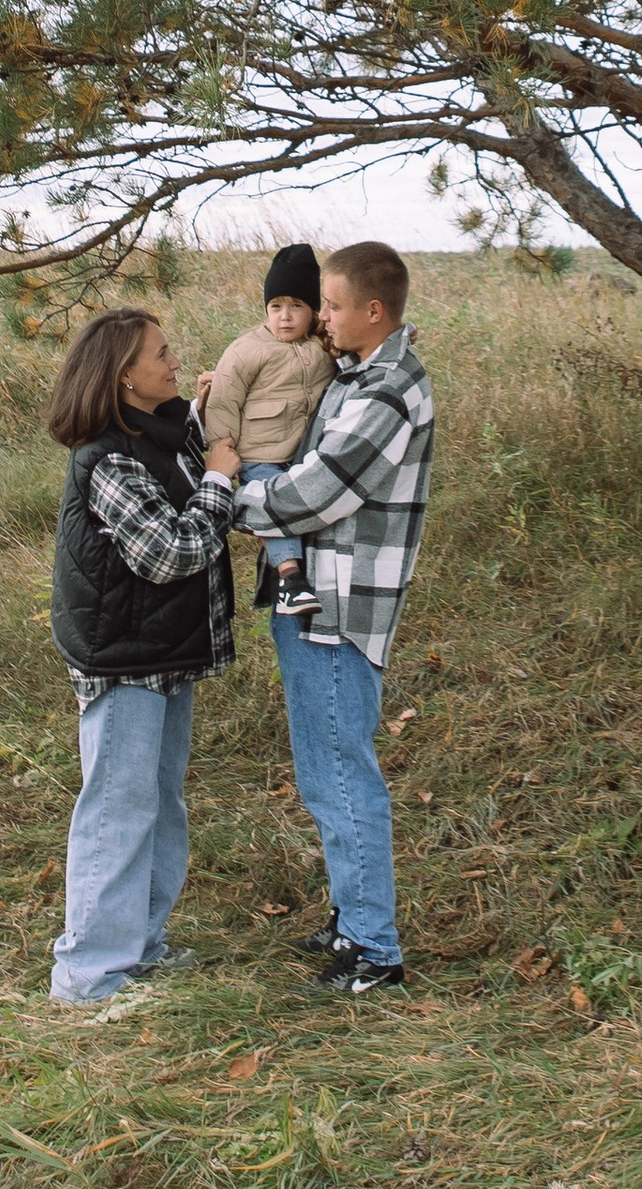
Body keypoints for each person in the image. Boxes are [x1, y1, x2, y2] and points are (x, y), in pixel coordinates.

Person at [231, 242, 434, 997]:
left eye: (336, 305)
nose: (322, 317)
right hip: (312, 597)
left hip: (341, 609)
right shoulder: (356, 374)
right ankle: (352, 920)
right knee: (323, 772)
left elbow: (319, 492)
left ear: (373, 311)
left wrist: (231, 500)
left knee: (343, 774)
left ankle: (376, 952)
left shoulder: (387, 390)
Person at [43, 305, 240, 1014]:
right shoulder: (107, 459)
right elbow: (170, 552)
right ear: (125, 377)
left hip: (160, 655)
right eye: (162, 355)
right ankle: (89, 978)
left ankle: (140, 949)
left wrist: (206, 411)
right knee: (118, 810)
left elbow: (179, 451)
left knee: (157, 804)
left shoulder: (152, 434)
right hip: (125, 661)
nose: (174, 362)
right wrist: (219, 479)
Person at [201, 243, 333, 622]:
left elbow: (360, 349)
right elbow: (223, 402)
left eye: (296, 306)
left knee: (301, 504)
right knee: (273, 502)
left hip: (303, 454)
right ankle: (290, 579)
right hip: (260, 455)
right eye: (276, 306)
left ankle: (291, 578)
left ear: (313, 310)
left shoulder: (323, 344)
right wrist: (223, 454)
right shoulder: (246, 351)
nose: (285, 317)